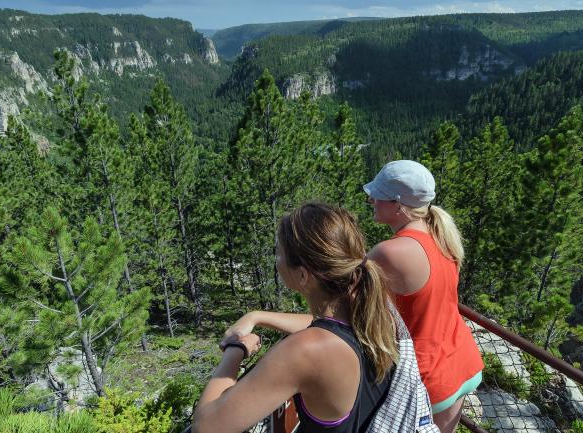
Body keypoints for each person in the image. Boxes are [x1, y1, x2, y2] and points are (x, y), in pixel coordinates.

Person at [192, 203, 398, 433]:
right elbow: (323, 326)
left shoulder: (305, 351)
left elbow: (207, 426)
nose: (277, 260)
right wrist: (258, 316)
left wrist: (235, 349)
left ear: (303, 275)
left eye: (279, 253)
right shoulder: (374, 314)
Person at [364, 160, 484, 433]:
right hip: (459, 363)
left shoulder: (390, 252)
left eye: (378, 195)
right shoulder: (440, 235)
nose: (371, 199)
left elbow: (346, 303)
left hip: (425, 377)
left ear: (397, 205)